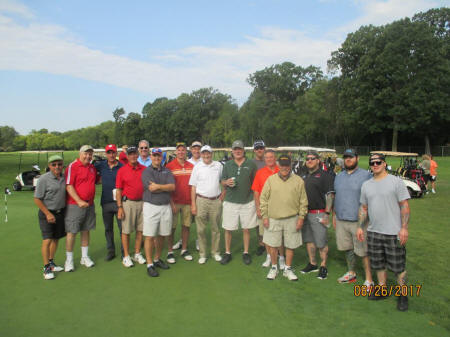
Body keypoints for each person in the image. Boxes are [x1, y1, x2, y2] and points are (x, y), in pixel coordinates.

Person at [356, 153, 410, 311]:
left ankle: (402, 295)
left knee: (398, 267)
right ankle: (382, 289)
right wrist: (360, 226)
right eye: (372, 162)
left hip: (394, 233)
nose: (375, 164)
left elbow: (404, 206)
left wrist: (404, 228)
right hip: (374, 232)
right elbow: (364, 208)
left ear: (384, 164)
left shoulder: (396, 182)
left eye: (378, 162)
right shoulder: (367, 185)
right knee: (378, 265)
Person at [260, 155, 308, 280]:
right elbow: (263, 199)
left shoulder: (298, 181)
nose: (284, 168)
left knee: (290, 245)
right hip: (273, 218)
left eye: (287, 165)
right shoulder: (271, 180)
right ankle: (274, 267)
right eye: (282, 165)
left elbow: (303, 201)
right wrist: (265, 216)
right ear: (278, 165)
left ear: (290, 165)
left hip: (292, 218)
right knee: (273, 245)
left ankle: (287, 268)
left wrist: (301, 217)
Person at [332, 149, 373, 287]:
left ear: (357, 158)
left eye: (351, 157)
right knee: (348, 248)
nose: (348, 159)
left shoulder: (366, 175)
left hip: (359, 222)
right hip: (341, 219)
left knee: (363, 251)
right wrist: (333, 215)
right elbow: (335, 196)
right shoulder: (339, 176)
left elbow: (369, 199)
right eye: (346, 157)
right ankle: (351, 272)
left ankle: (369, 279)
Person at [220, 140, 258, 265]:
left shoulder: (251, 164)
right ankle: (227, 252)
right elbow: (222, 181)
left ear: (243, 150)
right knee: (228, 228)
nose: (237, 151)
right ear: (232, 151)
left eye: (239, 149)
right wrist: (226, 183)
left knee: (246, 229)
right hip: (230, 201)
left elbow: (255, 182)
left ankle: (246, 252)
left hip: (247, 201)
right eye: (235, 149)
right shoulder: (228, 164)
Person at [300, 150, 334, 280]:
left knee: (321, 242)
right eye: (307, 158)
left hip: (319, 213)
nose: (309, 160)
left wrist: (326, 213)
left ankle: (323, 265)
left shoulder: (325, 176)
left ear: (318, 160)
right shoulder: (304, 176)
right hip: (305, 213)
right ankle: (312, 263)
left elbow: (330, 195)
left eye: (312, 158)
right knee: (309, 240)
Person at [141, 148, 176, 277]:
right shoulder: (147, 171)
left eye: (158, 156)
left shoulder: (167, 170)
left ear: (162, 157)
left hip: (165, 206)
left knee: (162, 234)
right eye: (154, 156)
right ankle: (149, 264)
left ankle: (156, 259)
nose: (156, 158)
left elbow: (172, 187)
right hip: (151, 206)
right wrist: (164, 187)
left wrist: (159, 186)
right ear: (151, 157)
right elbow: (151, 188)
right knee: (150, 236)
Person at [64, 145, 97, 272]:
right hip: (75, 204)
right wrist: (79, 201)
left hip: (89, 204)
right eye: (86, 154)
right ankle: (69, 260)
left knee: (86, 230)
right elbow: (69, 186)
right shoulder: (73, 166)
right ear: (80, 154)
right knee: (72, 232)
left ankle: (84, 257)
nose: (88, 156)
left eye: (90, 154)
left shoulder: (92, 167)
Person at [189, 145, 225, 264]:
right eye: (204, 153)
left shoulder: (218, 166)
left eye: (208, 153)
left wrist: (222, 195)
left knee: (215, 228)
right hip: (201, 200)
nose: (206, 155)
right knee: (201, 230)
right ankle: (203, 254)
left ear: (211, 154)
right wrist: (193, 205)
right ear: (201, 154)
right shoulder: (197, 167)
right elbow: (193, 187)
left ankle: (215, 252)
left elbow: (223, 181)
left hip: (215, 200)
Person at [34, 155, 66, 280]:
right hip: (46, 213)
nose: (57, 167)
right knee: (47, 240)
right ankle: (46, 267)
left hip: (59, 213)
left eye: (59, 164)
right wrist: (47, 213)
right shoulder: (43, 179)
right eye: (54, 164)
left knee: (56, 238)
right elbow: (37, 199)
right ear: (49, 166)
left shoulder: (63, 177)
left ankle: (51, 262)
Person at [251, 149, 285, 269]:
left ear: (275, 158)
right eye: (267, 158)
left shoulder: (281, 171)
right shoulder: (260, 172)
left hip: (278, 209)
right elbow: (256, 192)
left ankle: (281, 258)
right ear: (264, 159)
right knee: (265, 235)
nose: (269, 159)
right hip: (264, 209)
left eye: (271, 157)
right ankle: (269, 256)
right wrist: (258, 209)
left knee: (279, 235)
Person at [115, 146, 147, 268]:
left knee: (141, 230)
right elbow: (118, 190)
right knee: (126, 231)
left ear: (137, 155)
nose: (133, 156)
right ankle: (126, 256)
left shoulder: (144, 169)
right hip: (127, 203)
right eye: (130, 154)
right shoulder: (122, 171)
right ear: (127, 156)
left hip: (142, 203)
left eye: (135, 154)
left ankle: (137, 253)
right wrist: (120, 207)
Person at [166, 142, 194, 263]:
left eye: (183, 150)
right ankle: (170, 251)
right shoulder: (169, 166)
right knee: (171, 228)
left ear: (186, 152)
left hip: (188, 202)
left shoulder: (191, 166)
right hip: (175, 202)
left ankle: (184, 249)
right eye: (179, 150)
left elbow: (194, 185)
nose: (181, 152)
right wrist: (171, 203)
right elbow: (167, 187)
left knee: (186, 226)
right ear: (176, 152)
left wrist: (194, 202)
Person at [94, 144, 123, 261]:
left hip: (119, 202)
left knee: (122, 228)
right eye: (109, 152)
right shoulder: (101, 165)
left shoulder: (121, 166)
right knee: (108, 229)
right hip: (105, 202)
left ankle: (123, 251)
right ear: (106, 154)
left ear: (116, 153)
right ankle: (111, 251)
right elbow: (90, 170)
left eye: (113, 152)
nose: (111, 155)